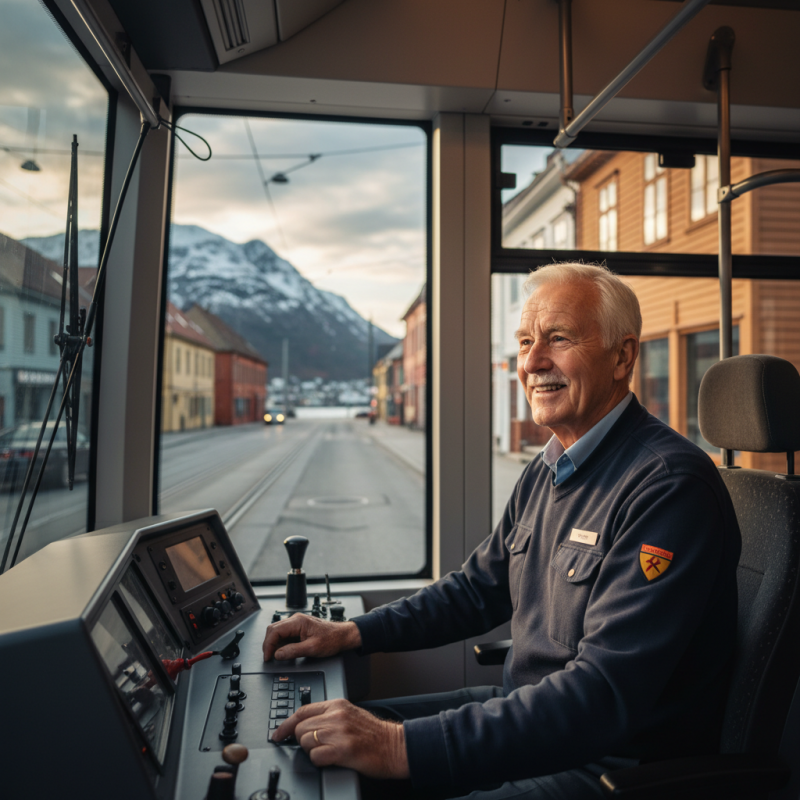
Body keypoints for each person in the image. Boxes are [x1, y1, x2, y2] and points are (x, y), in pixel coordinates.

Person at [261, 263, 741, 799]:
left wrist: (399, 748)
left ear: (622, 356)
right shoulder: (551, 465)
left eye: (558, 339)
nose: (533, 362)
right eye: (526, 341)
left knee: (361, 767)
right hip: (528, 719)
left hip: (608, 765)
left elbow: (602, 695)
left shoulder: (669, 487)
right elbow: (476, 590)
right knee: (314, 742)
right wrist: (354, 633)